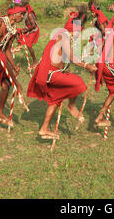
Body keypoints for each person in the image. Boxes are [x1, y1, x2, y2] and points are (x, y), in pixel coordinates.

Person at [27, 10, 97, 139]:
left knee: (55, 100)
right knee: (78, 82)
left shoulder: (63, 35)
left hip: (53, 72)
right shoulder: (64, 36)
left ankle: (44, 129)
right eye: (80, 32)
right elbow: (70, 56)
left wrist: (64, 68)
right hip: (51, 74)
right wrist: (87, 66)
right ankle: (71, 105)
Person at [14, 0, 39, 66]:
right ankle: (19, 44)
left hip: (34, 30)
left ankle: (35, 61)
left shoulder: (29, 15)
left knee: (29, 45)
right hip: (28, 29)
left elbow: (34, 25)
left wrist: (25, 31)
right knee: (17, 31)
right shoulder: (23, 14)